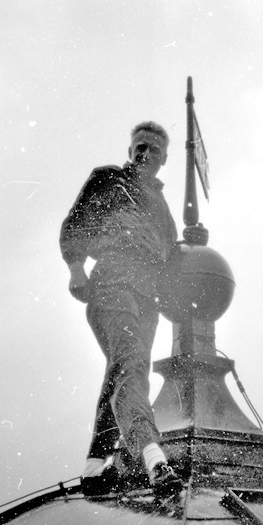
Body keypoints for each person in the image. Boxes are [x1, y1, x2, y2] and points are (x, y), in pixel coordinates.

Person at [60, 121, 182, 496]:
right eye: (139, 147)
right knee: (130, 367)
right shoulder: (109, 180)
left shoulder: (162, 207)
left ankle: (94, 467)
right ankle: (152, 457)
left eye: (154, 150)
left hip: (148, 298)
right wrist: (76, 266)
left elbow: (171, 256)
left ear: (164, 159)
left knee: (124, 371)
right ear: (130, 150)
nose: (145, 154)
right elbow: (75, 222)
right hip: (112, 281)